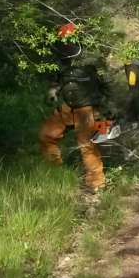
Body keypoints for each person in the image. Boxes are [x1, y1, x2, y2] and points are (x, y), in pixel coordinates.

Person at [39, 22, 108, 191]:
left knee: (86, 144)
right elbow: (56, 80)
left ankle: (96, 182)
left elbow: (107, 83)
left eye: (68, 41)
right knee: (46, 135)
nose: (66, 44)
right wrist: (53, 90)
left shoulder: (92, 60)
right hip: (67, 107)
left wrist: (108, 108)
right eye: (64, 41)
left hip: (88, 108)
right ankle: (55, 172)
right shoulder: (61, 59)